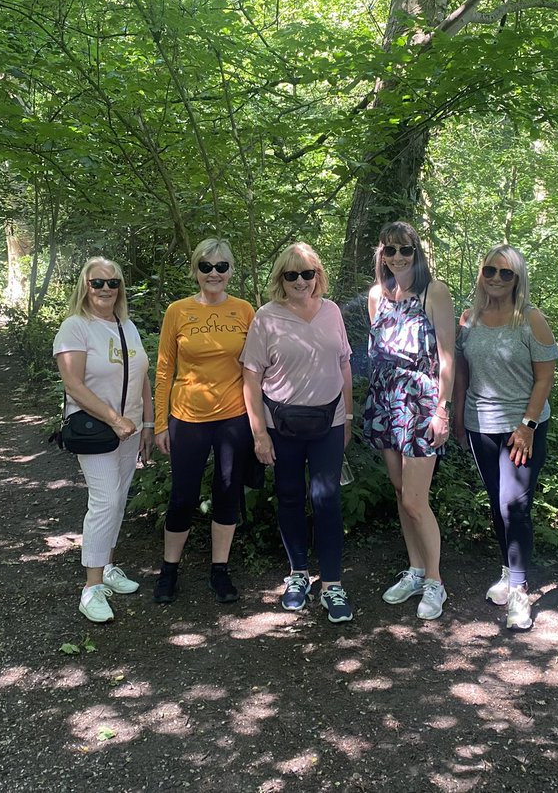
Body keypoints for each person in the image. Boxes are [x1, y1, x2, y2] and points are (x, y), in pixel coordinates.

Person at [241, 243, 355, 623]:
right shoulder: (266, 317)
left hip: (330, 422)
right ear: (280, 279)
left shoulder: (332, 312)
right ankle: (298, 575)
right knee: (289, 497)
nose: (300, 281)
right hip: (281, 425)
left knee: (327, 499)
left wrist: (349, 416)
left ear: (317, 276)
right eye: (292, 275)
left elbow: (344, 365)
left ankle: (333, 585)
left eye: (307, 274)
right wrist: (259, 433)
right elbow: (251, 377)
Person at [452, 244, 558, 631]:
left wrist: (527, 425)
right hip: (481, 424)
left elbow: (545, 376)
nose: (496, 278)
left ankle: (519, 589)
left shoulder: (531, 319)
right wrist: (458, 416)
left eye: (506, 273)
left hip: (522, 429)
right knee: (498, 504)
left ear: (518, 279)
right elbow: (462, 373)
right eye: (490, 271)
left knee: (515, 505)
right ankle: (507, 570)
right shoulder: (469, 319)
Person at [152, 239, 255, 605]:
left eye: (221, 266)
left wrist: (260, 424)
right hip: (187, 416)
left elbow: (256, 369)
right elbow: (164, 369)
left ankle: (220, 571)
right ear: (195, 270)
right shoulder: (177, 311)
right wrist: (159, 423)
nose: (214, 273)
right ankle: (168, 572)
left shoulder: (245, 311)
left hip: (233, 417)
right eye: (206, 266)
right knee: (183, 497)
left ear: (231, 271)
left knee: (228, 493)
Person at [364, 221, 457, 621]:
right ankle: (416, 569)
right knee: (401, 492)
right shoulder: (376, 296)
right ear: (381, 255)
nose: (398, 257)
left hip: (421, 402)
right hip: (385, 401)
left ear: (417, 253)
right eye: (390, 250)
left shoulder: (433, 293)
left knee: (416, 500)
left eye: (406, 250)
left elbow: (448, 356)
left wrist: (442, 409)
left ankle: (436, 581)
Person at [53, 257, 154, 623]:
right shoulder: (75, 328)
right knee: (105, 499)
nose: (106, 289)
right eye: (98, 283)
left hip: (130, 428)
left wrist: (148, 423)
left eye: (113, 283)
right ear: (85, 285)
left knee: (120, 498)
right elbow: (73, 384)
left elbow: (142, 375)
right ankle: (91, 587)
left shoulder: (126, 325)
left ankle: (108, 566)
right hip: (96, 428)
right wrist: (115, 419)